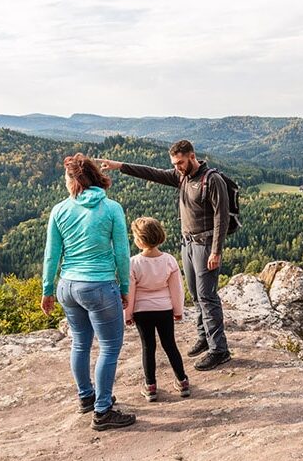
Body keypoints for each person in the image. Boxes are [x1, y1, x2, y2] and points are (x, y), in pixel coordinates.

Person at [96, 140, 231, 371]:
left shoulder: (212, 179)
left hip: (205, 245)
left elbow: (222, 217)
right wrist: (120, 166)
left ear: (192, 156)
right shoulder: (181, 177)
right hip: (187, 243)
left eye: (180, 162)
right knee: (195, 295)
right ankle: (204, 337)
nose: (177, 167)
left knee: (207, 296)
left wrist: (216, 250)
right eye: (174, 164)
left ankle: (219, 349)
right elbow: (151, 173)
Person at [41, 152, 135, 431]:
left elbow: (51, 255)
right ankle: (103, 410)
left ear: (73, 181)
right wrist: (125, 288)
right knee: (109, 347)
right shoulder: (111, 208)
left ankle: (86, 397)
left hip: (68, 286)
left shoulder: (60, 210)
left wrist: (47, 290)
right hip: (98, 285)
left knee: (80, 343)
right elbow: (122, 253)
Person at [125, 217, 190, 401]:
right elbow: (176, 288)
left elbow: (130, 292)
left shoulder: (133, 263)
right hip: (164, 309)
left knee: (148, 347)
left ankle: (150, 386)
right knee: (170, 344)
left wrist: (127, 315)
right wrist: (178, 311)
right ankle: (182, 380)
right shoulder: (169, 261)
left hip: (142, 311)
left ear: (139, 241)